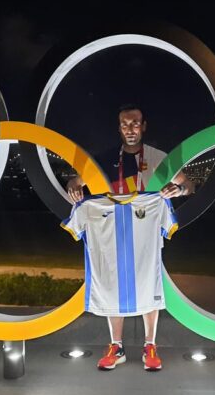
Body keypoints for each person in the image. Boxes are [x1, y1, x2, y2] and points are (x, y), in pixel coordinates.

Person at [66, 104, 193, 371]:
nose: (130, 129)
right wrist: (73, 188)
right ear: (119, 128)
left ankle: (150, 345)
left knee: (148, 279)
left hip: (145, 230)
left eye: (135, 123)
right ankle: (117, 346)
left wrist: (178, 189)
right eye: (125, 124)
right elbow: (76, 182)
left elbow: (189, 184)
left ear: (144, 126)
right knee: (111, 280)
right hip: (112, 230)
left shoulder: (159, 158)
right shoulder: (105, 159)